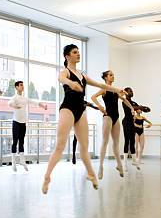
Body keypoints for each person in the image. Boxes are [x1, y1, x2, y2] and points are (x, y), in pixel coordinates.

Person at [42, 44, 125, 194]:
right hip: (67, 108)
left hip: (81, 110)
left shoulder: (83, 75)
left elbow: (100, 84)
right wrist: (70, 83)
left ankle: (91, 174)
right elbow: (60, 78)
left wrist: (118, 89)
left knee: (84, 147)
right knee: (60, 145)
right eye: (75, 52)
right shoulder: (65, 72)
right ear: (67, 56)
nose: (78, 54)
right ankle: (47, 176)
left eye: (78, 52)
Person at [91, 70, 135, 179]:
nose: (112, 76)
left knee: (116, 143)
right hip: (108, 116)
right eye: (110, 75)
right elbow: (93, 97)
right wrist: (100, 107)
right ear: (106, 78)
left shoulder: (116, 90)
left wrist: (132, 108)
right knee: (105, 142)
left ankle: (119, 165)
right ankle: (100, 167)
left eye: (113, 75)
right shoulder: (104, 89)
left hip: (116, 118)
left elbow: (124, 100)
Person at [7, 81, 48, 172]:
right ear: (16, 87)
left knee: (21, 142)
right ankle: (13, 162)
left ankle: (22, 161)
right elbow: (9, 103)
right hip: (16, 122)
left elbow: (35, 102)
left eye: (23, 85)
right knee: (15, 142)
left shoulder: (25, 98)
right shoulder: (15, 97)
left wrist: (43, 106)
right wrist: (15, 106)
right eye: (21, 85)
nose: (22, 86)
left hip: (23, 123)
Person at [121, 87, 140, 164]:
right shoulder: (124, 101)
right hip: (126, 122)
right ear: (126, 92)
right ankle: (124, 161)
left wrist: (143, 109)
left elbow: (138, 109)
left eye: (132, 91)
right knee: (127, 141)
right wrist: (140, 107)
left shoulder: (134, 102)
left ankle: (134, 160)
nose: (132, 92)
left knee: (132, 141)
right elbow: (132, 107)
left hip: (132, 123)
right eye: (130, 91)